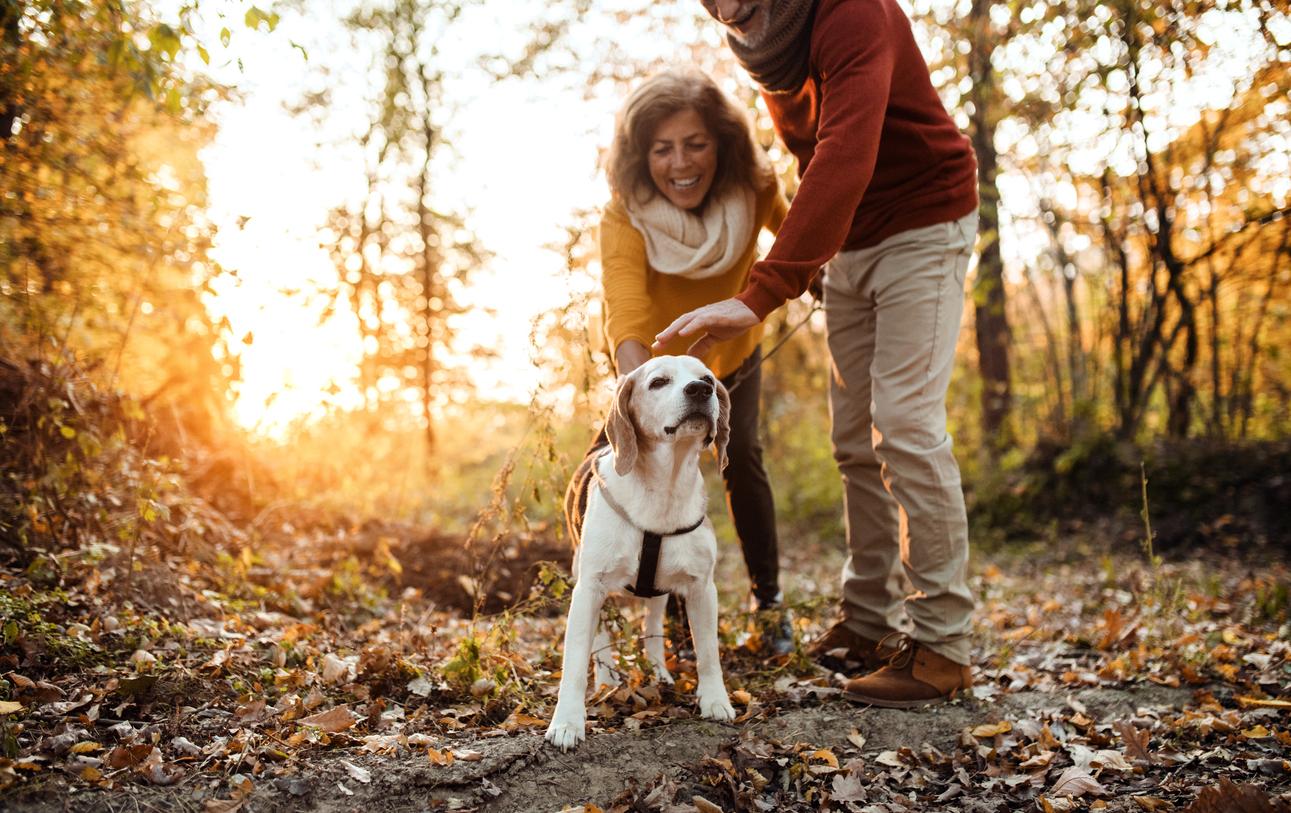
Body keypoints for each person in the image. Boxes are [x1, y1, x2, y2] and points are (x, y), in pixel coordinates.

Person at [655, 0, 980, 706]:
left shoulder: (852, 13)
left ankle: (943, 645)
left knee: (904, 424)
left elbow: (843, 151)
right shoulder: (764, 40)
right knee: (852, 440)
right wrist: (818, 251)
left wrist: (762, 289)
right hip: (854, 241)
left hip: (925, 219)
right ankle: (867, 621)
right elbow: (811, 159)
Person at [598, 67, 794, 654]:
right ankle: (662, 608)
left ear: (723, 144)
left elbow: (798, 243)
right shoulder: (623, 216)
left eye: (695, 144)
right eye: (662, 149)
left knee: (745, 459)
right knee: (635, 464)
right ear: (642, 155)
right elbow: (627, 310)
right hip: (650, 370)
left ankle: (769, 604)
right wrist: (638, 396)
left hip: (733, 356)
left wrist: (824, 279)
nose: (679, 163)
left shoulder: (755, 189)